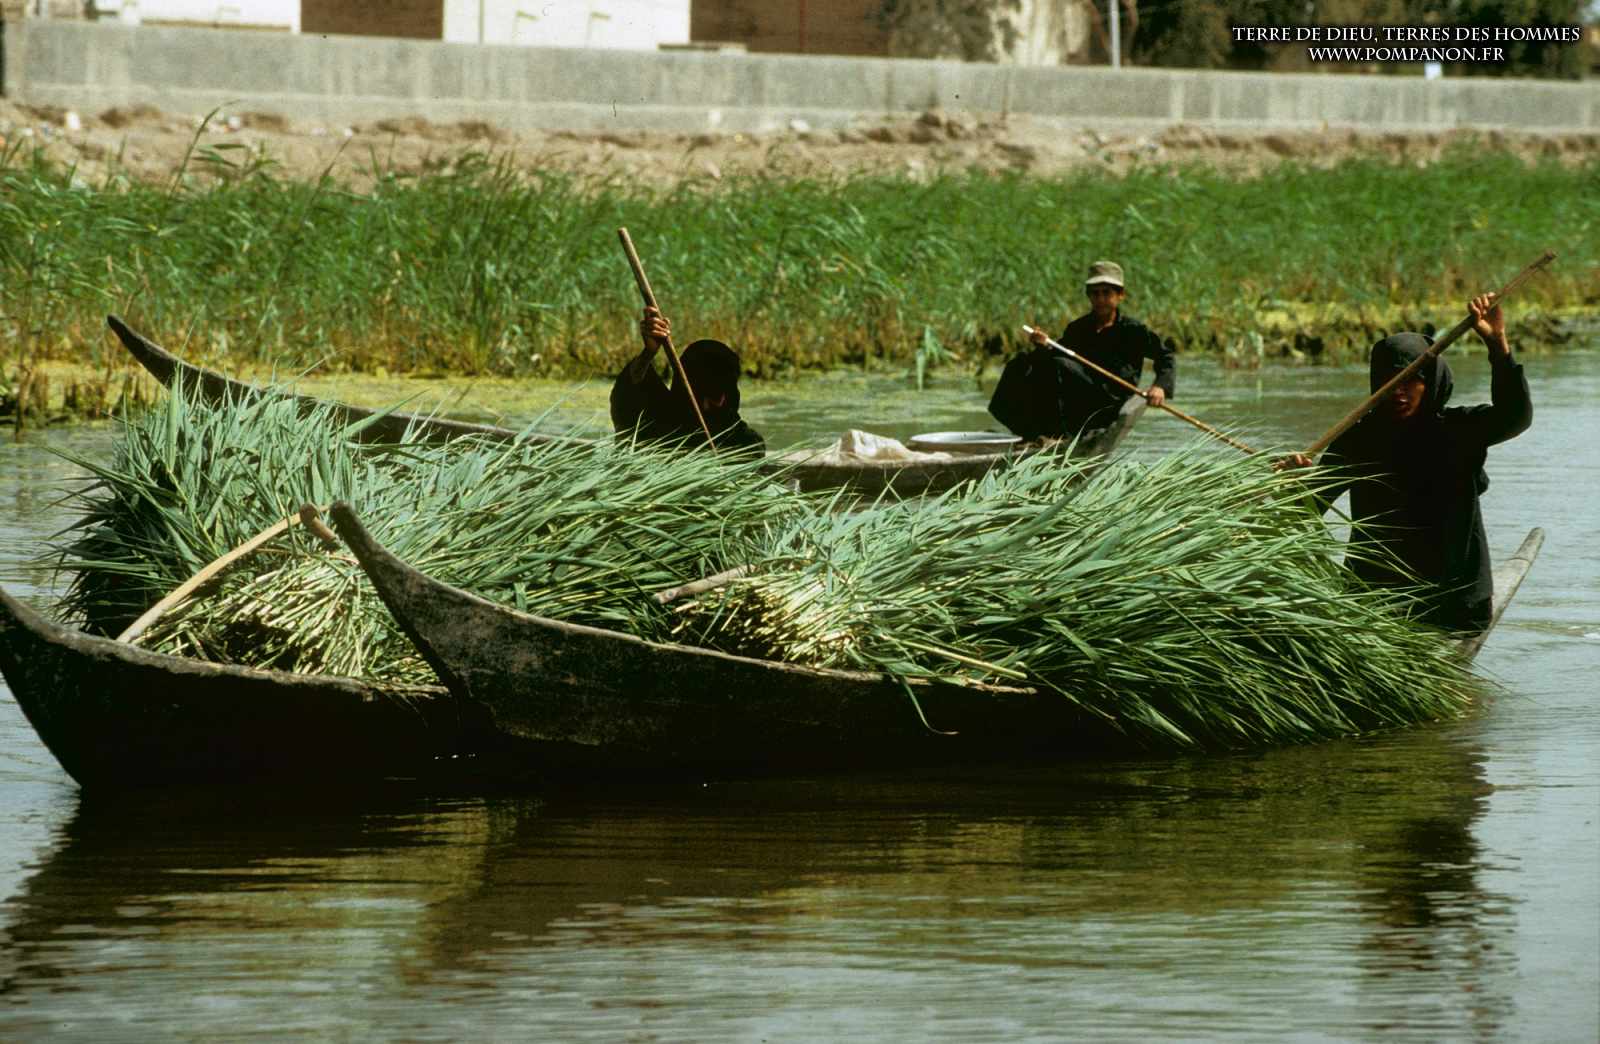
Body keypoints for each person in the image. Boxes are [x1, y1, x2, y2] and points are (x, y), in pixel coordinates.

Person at [1283, 294, 1532, 634]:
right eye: (1389, 381)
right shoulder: (1358, 439)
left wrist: (1497, 344)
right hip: (1375, 603)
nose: (1398, 391)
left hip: (1454, 605)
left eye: (1410, 379)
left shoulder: (1459, 430)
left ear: (1430, 381)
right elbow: (1308, 508)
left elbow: (1515, 417)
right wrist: (1293, 484)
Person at [991, 260, 1176, 440]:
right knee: (1021, 362)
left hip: (1111, 399)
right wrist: (1043, 346)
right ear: (1089, 296)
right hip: (1081, 397)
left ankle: (1060, 434)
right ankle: (1031, 431)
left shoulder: (1134, 331)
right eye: (1095, 294)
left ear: (1120, 295)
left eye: (1107, 293)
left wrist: (1159, 386)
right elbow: (1055, 357)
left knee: (1059, 365)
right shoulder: (1078, 328)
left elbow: (1165, 356)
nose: (1100, 299)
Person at [610, 306, 765, 457]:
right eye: (700, 394)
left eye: (715, 396)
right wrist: (648, 353)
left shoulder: (743, 443)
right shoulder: (655, 421)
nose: (706, 405)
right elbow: (633, 386)